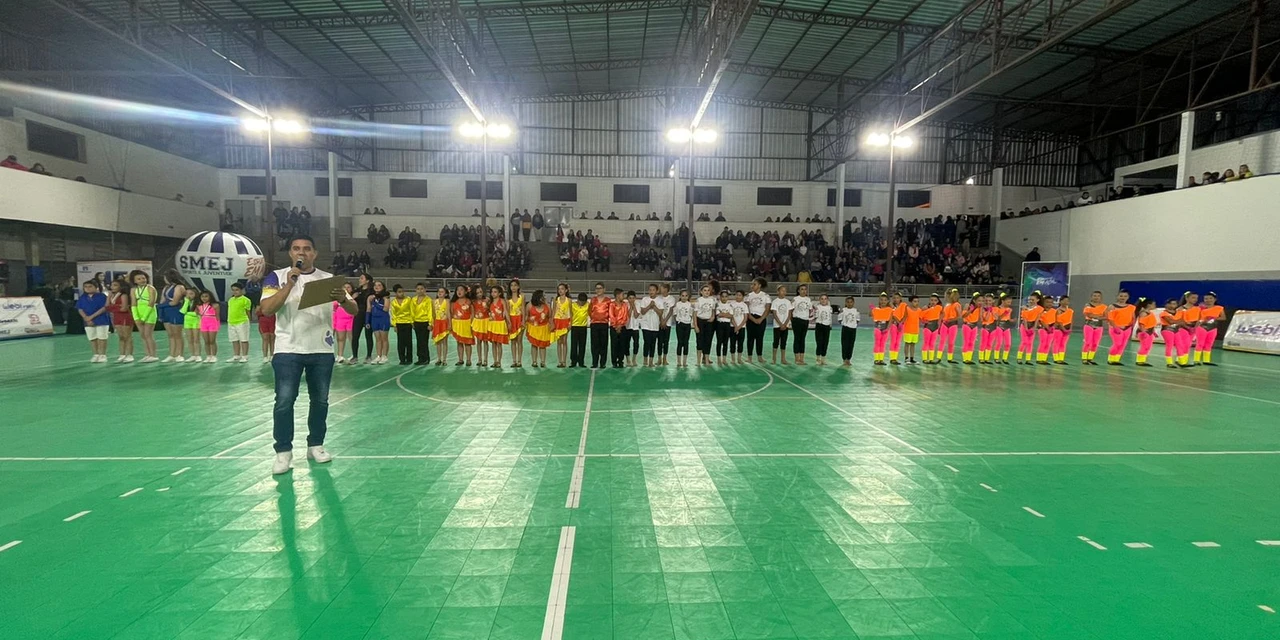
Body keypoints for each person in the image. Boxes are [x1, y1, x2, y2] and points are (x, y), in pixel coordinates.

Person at [258, 235, 356, 475]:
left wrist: (342, 299)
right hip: (287, 350)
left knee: (320, 401)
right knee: (284, 401)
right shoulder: (276, 277)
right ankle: (283, 451)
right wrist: (289, 285)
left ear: (314, 253)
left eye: (307, 249)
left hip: (321, 349)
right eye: (296, 248)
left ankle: (316, 445)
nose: (301, 252)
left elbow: (353, 309)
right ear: (290, 253)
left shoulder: (328, 279)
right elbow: (267, 309)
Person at [76, 280, 110, 363]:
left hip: (101, 320)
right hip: (88, 322)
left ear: (96, 287)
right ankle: (96, 354)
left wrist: (92, 317)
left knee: (102, 337)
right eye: (85, 287)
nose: (87, 288)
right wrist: (86, 318)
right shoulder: (82, 297)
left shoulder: (102, 296)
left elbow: (104, 308)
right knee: (92, 338)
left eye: (90, 286)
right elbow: (80, 309)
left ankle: (102, 355)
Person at [158, 271, 187, 363]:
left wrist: (161, 306)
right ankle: (171, 355)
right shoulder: (166, 287)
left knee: (178, 335)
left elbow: (175, 302)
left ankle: (180, 355)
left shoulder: (179, 287)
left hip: (175, 312)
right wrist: (161, 313)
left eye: (165, 277)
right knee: (170, 335)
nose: (164, 279)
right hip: (166, 312)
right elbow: (162, 300)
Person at [106, 280, 135, 363]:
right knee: (121, 337)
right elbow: (107, 307)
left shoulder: (123, 295)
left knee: (127, 336)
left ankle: (130, 355)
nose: (112, 287)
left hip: (125, 317)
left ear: (121, 286)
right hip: (116, 317)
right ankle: (122, 354)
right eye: (111, 285)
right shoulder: (112, 296)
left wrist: (113, 307)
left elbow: (124, 308)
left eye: (115, 285)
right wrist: (109, 297)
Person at [1105, 289, 1135, 365]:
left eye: (1125, 296)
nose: (1123, 298)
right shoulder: (1112, 306)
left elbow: (1133, 317)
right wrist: (1115, 327)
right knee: (1117, 343)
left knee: (1123, 345)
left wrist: (1131, 326)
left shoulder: (1131, 307)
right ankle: (1110, 359)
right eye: (1121, 296)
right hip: (1116, 327)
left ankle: (1116, 360)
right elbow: (1110, 318)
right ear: (1117, 296)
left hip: (1127, 328)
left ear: (1128, 297)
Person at [744, 278, 770, 364]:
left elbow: (767, 309)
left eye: (754, 284)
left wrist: (760, 319)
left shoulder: (766, 296)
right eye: (752, 284)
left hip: (761, 319)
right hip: (751, 319)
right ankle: (749, 357)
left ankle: (760, 356)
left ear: (759, 285)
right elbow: (746, 309)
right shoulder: (748, 296)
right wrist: (753, 319)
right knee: (750, 338)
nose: (752, 286)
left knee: (760, 338)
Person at [226, 283, 252, 363]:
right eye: (233, 290)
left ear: (242, 290)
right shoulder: (230, 300)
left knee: (244, 339)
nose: (235, 292)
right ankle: (236, 355)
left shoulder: (246, 300)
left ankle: (245, 356)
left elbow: (248, 312)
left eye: (237, 290)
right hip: (231, 322)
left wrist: (248, 321)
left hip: (242, 322)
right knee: (234, 339)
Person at [638, 284, 663, 368]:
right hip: (645, 324)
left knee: (653, 343)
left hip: (655, 325)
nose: (651, 291)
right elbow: (642, 312)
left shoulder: (660, 300)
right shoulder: (645, 299)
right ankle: (645, 359)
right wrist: (649, 306)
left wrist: (654, 306)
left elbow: (660, 313)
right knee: (647, 342)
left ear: (657, 291)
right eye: (650, 290)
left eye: (653, 290)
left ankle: (651, 360)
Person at [527, 290, 553, 368]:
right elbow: (526, 316)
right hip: (533, 328)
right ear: (539, 297)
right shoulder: (529, 305)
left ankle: (543, 362)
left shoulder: (547, 305)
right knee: (534, 345)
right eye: (543, 296)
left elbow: (550, 316)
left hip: (544, 328)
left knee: (542, 345)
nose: (545, 297)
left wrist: (551, 325)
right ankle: (534, 361)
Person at [1195, 292, 1223, 365]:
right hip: (1202, 327)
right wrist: (1196, 327)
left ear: (1215, 299)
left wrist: (1214, 318)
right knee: (1200, 344)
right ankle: (1196, 360)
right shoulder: (1200, 308)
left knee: (1209, 344)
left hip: (1213, 328)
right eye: (1206, 298)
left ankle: (1206, 360)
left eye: (1210, 298)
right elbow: (1197, 318)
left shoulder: (1219, 308)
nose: (1208, 300)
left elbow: (1223, 317)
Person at [368, 281, 391, 364]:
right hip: (374, 319)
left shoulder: (386, 297)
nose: (376, 286)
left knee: (384, 338)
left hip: (383, 319)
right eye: (375, 285)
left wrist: (375, 303)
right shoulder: (371, 297)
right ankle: (378, 356)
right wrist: (367, 321)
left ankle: (384, 356)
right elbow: (369, 309)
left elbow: (385, 309)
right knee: (377, 339)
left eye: (379, 285)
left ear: (383, 287)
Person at [450, 285, 475, 366]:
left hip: (466, 324)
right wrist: (451, 324)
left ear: (466, 292)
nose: (459, 291)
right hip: (457, 324)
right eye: (457, 290)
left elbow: (472, 313)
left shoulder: (469, 301)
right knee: (459, 342)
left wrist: (471, 323)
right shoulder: (453, 302)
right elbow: (451, 314)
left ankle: (468, 360)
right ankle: (460, 359)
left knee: (467, 343)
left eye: (461, 290)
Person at [589, 283, 612, 368]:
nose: (598, 290)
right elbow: (589, 311)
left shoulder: (608, 300)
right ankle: (594, 362)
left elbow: (610, 312)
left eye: (600, 288)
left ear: (604, 289)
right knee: (594, 344)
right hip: (594, 324)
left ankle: (603, 363)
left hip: (604, 324)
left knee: (603, 344)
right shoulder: (593, 300)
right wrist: (593, 318)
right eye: (597, 288)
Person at [1081, 291, 1107, 365]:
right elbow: (1087, 314)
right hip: (1089, 325)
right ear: (1091, 297)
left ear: (1101, 297)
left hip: (1099, 327)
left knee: (1095, 343)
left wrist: (1096, 316)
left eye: (1098, 296)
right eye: (1094, 296)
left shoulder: (1104, 307)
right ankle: (1084, 358)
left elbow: (1106, 316)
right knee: (1087, 342)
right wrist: (1098, 316)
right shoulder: (1088, 305)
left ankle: (1090, 358)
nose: (1096, 297)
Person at [694, 284, 718, 366]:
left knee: (708, 340)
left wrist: (713, 317)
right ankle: (698, 361)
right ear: (701, 292)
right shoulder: (698, 300)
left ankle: (706, 360)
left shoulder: (712, 300)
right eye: (705, 290)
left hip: (709, 322)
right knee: (699, 341)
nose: (707, 292)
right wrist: (695, 325)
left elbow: (713, 310)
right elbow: (695, 314)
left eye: (708, 290)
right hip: (700, 321)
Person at [390, 285, 414, 365]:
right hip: (399, 323)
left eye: (402, 291)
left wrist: (412, 322)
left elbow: (411, 311)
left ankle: (409, 359)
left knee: (408, 342)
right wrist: (394, 325)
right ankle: (402, 359)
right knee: (400, 342)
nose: (401, 293)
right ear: (396, 293)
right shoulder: (393, 302)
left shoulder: (408, 299)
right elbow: (393, 314)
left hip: (408, 322)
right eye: (399, 292)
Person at [333, 283, 356, 364]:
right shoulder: (337, 298)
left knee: (351, 338)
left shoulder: (353, 297)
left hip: (350, 319)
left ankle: (354, 354)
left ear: (352, 289)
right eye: (344, 287)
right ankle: (340, 355)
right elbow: (334, 307)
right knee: (340, 338)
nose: (346, 288)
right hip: (340, 319)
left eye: (348, 287)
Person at [1159, 298, 1185, 369]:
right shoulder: (1164, 313)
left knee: (1179, 345)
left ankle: (1182, 362)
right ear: (1167, 304)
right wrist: (1179, 321)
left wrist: (1178, 321)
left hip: (1176, 330)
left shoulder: (1179, 312)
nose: (1172, 305)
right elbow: (1170, 322)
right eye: (1170, 303)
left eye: (1174, 304)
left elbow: (1183, 320)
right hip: (1167, 330)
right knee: (1169, 345)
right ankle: (1169, 363)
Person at [1017, 291, 1042, 365]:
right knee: (1024, 342)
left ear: (1037, 300)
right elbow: (1024, 319)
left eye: (1032, 300)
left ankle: (1028, 359)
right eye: (1029, 299)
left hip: (1032, 326)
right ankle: (1019, 358)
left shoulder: (1040, 309)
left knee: (1030, 343)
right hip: (1024, 326)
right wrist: (1026, 328)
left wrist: (1034, 328)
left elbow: (1037, 319)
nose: (1030, 301)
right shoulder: (1025, 308)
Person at [411, 283, 433, 366]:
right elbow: (412, 311)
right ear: (416, 290)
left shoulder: (428, 300)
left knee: (424, 341)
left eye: (422, 289)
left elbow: (430, 312)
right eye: (418, 289)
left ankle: (426, 358)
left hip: (425, 322)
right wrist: (412, 321)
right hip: (417, 322)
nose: (420, 290)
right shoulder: (413, 299)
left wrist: (430, 323)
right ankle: (420, 358)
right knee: (419, 341)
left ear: (425, 289)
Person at [770, 285, 792, 365]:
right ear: (778, 292)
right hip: (777, 325)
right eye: (782, 290)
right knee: (776, 342)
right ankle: (774, 358)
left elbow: (789, 314)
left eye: (785, 291)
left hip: (785, 326)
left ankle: (783, 359)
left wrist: (785, 324)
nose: (784, 292)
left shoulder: (788, 302)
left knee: (783, 342)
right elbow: (774, 314)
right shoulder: (775, 302)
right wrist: (780, 324)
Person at [791, 284, 812, 365]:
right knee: (797, 338)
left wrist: (806, 317)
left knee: (802, 339)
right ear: (798, 291)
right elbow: (791, 310)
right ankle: (797, 358)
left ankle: (802, 359)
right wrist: (792, 320)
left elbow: (810, 310)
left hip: (805, 320)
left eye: (805, 289)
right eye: (802, 289)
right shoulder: (795, 299)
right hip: (797, 320)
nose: (804, 291)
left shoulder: (808, 299)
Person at [608, 288, 630, 368]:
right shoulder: (612, 304)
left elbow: (625, 316)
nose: (623, 296)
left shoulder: (625, 304)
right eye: (622, 295)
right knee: (614, 345)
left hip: (622, 327)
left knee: (622, 344)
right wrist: (616, 326)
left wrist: (620, 325)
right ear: (617, 295)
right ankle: (614, 361)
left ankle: (620, 361)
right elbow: (611, 316)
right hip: (613, 327)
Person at [552, 283, 572, 368]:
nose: (560, 290)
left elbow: (571, 312)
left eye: (562, 289)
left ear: (566, 290)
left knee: (564, 341)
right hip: (557, 321)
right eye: (559, 289)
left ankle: (564, 361)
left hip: (565, 321)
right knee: (559, 342)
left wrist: (570, 323)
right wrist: (552, 322)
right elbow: (553, 311)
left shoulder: (569, 300)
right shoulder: (556, 300)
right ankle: (560, 361)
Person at [1133, 298, 1158, 367]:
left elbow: (1151, 323)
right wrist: (1143, 332)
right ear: (1149, 305)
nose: (1155, 306)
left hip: (1149, 332)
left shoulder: (1150, 313)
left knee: (1147, 347)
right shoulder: (1144, 313)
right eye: (1154, 304)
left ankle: (1142, 360)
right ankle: (1139, 361)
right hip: (1145, 332)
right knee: (1144, 346)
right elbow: (1141, 323)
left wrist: (1153, 332)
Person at [197, 291, 220, 363]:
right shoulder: (199, 306)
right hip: (203, 323)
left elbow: (217, 316)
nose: (204, 298)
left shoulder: (215, 305)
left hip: (212, 323)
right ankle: (208, 356)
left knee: (212, 341)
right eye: (202, 296)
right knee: (206, 341)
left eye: (206, 296)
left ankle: (214, 356)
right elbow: (197, 313)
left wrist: (218, 325)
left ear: (210, 297)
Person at [181, 288, 202, 363]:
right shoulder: (186, 301)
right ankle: (193, 355)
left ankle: (198, 355)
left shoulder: (199, 302)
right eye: (187, 294)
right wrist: (186, 301)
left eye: (191, 294)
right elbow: (183, 311)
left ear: (195, 294)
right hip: (187, 321)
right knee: (189, 339)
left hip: (196, 321)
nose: (189, 295)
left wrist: (189, 313)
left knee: (196, 339)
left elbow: (197, 313)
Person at [870, 292, 891, 366]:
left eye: (885, 300)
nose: (883, 301)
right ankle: (876, 359)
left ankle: (881, 359)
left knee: (883, 344)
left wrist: (887, 328)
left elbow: (890, 320)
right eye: (881, 300)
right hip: (877, 328)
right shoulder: (876, 309)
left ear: (887, 301)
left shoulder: (889, 309)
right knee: (877, 343)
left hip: (885, 328)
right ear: (879, 300)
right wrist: (872, 309)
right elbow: (870, 315)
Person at [432, 286, 452, 366]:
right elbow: (433, 314)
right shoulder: (434, 301)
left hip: (444, 322)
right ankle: (439, 359)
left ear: (446, 294)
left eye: (442, 291)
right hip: (437, 322)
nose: (440, 293)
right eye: (439, 291)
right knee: (438, 342)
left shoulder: (447, 301)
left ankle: (444, 359)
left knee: (444, 342)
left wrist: (450, 323)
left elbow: (448, 313)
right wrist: (432, 324)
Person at [569, 293, 590, 368]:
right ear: (578, 300)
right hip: (574, 327)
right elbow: (570, 315)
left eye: (584, 302)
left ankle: (581, 361)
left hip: (583, 327)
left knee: (582, 345)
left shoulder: (588, 305)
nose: (582, 303)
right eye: (581, 302)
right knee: (574, 345)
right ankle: (573, 361)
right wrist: (570, 324)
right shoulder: (572, 305)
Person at [940, 289, 961, 364]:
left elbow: (959, 316)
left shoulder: (956, 304)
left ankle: (950, 358)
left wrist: (950, 320)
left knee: (951, 342)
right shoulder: (947, 304)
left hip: (952, 324)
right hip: (944, 324)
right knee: (942, 341)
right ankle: (939, 357)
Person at [1035, 295, 1057, 365]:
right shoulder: (1041, 311)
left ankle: (1044, 359)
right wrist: (1046, 327)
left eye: (1051, 302)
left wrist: (1053, 327)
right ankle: (1039, 358)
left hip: (1051, 329)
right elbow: (1041, 320)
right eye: (1047, 302)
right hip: (1043, 329)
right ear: (1043, 302)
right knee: (1043, 343)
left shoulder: (1054, 311)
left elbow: (1056, 320)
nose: (1049, 304)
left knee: (1048, 344)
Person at [714, 289, 733, 366]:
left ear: (728, 297)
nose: (724, 298)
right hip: (719, 324)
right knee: (719, 342)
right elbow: (718, 314)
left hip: (727, 325)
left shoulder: (730, 305)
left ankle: (724, 359)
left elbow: (731, 315)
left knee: (725, 342)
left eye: (726, 296)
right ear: (720, 297)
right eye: (722, 296)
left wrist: (723, 314)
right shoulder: (718, 305)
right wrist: (726, 314)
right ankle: (719, 359)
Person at [812, 294, 832, 366]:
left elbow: (829, 317)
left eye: (825, 299)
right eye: (822, 299)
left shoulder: (830, 308)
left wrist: (829, 325)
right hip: (819, 326)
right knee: (819, 343)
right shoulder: (817, 307)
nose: (823, 300)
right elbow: (815, 316)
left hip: (826, 327)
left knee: (825, 343)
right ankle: (818, 359)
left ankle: (823, 359)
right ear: (819, 300)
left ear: (827, 300)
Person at [657, 283, 675, 366]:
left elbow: (671, 311)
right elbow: (658, 310)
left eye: (663, 288)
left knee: (666, 341)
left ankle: (665, 358)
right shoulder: (658, 298)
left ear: (667, 289)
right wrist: (661, 320)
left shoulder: (671, 298)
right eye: (661, 288)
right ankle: (659, 358)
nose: (661, 290)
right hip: (659, 323)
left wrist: (665, 321)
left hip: (668, 323)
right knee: (659, 341)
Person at [839, 296, 859, 366]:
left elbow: (857, 320)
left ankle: (848, 359)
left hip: (853, 329)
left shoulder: (856, 311)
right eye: (848, 302)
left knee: (851, 344)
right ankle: (844, 359)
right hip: (845, 329)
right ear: (845, 303)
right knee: (844, 344)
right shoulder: (843, 310)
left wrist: (852, 325)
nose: (849, 304)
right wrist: (845, 324)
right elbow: (840, 319)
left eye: (851, 302)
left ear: (853, 303)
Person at [1053, 296, 1073, 364]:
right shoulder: (1058, 311)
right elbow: (1059, 321)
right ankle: (1056, 358)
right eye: (1064, 300)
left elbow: (1071, 320)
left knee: (1063, 344)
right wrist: (1063, 329)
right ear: (1060, 301)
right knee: (1057, 343)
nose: (1065, 302)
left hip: (1067, 329)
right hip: (1058, 329)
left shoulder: (1070, 311)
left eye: (1067, 301)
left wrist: (1070, 329)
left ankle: (1061, 358)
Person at [903, 295, 922, 365]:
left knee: (913, 344)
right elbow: (904, 318)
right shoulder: (907, 309)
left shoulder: (919, 310)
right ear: (910, 302)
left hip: (915, 330)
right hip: (908, 330)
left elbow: (921, 318)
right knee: (907, 344)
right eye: (915, 301)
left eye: (917, 301)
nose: (916, 303)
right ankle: (906, 358)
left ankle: (912, 358)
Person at [258, 297, 277, 363]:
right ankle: (265, 356)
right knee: (265, 338)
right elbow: (257, 311)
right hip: (263, 320)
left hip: (273, 319)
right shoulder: (262, 300)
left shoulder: (275, 300)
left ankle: (272, 355)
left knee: (272, 338)